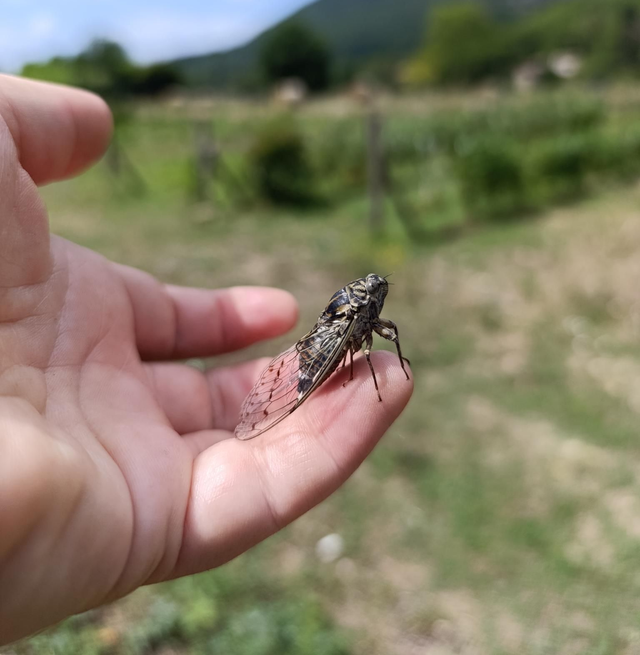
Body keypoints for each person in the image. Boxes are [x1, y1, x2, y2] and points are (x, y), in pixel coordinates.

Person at [0, 74, 413, 644]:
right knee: (317, 376)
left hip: (332, 337)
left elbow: (375, 336)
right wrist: (356, 359)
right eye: (376, 295)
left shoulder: (369, 309)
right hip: (327, 344)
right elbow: (353, 339)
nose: (379, 300)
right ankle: (290, 387)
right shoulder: (357, 313)